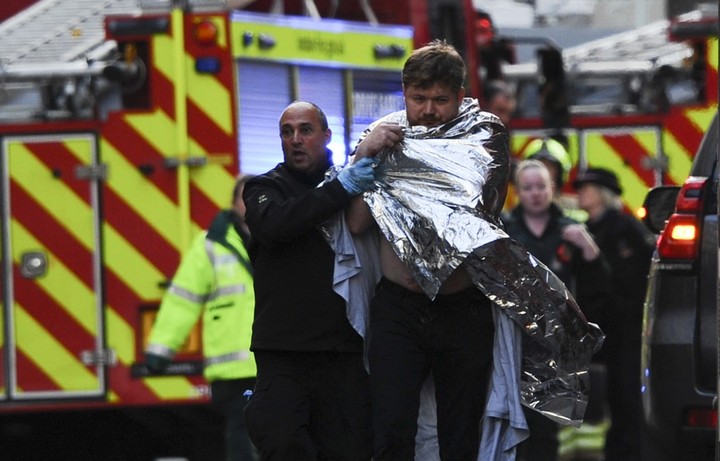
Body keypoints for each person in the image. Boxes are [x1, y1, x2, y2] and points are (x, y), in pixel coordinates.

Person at [346, 40, 510, 461]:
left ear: (460, 96)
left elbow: (479, 209)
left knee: (460, 434)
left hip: (461, 309)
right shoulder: (382, 137)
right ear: (404, 94)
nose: (429, 110)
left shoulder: (483, 137)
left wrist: (410, 167)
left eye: (440, 100)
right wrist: (365, 155)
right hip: (399, 309)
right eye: (419, 99)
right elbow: (357, 223)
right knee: (391, 429)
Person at [242, 101, 377, 461]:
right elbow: (274, 225)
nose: (295, 139)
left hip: (342, 351)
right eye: (287, 132)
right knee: (283, 443)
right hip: (284, 354)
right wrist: (340, 190)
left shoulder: (353, 184)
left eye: (306, 130)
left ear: (327, 135)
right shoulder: (264, 188)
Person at [502, 159, 613, 461]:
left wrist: (589, 249)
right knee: (516, 422)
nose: (535, 193)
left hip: (558, 343)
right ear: (517, 191)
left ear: (552, 188)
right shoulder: (505, 231)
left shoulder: (570, 230)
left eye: (541, 186)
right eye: (528, 188)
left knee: (550, 427)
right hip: (515, 340)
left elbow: (601, 288)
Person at [145, 174, 258, 461]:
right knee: (244, 437)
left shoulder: (280, 235)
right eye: (244, 198)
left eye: (257, 196)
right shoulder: (211, 245)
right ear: (232, 204)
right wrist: (160, 350)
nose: (250, 203)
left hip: (274, 359)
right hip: (234, 368)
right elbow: (183, 299)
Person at [573, 167, 656, 461]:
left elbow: (645, 275)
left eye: (587, 188)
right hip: (596, 330)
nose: (580, 193)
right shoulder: (583, 231)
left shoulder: (626, 229)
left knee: (626, 397)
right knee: (604, 397)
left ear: (602, 194)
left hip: (627, 329)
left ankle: (628, 452)